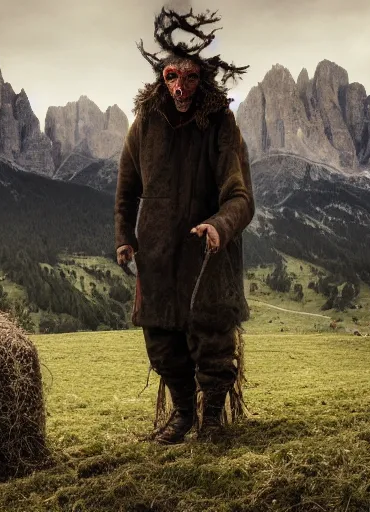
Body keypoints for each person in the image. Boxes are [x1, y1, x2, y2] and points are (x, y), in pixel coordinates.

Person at [114, 8, 255, 444]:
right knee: (162, 342)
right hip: (156, 255)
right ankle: (182, 415)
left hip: (207, 255)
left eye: (190, 78)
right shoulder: (144, 124)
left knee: (212, 340)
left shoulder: (220, 123)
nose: (180, 87)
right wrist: (124, 237)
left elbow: (241, 197)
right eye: (172, 76)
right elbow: (126, 190)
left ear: (203, 79)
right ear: (162, 76)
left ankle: (211, 419)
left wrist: (218, 226)